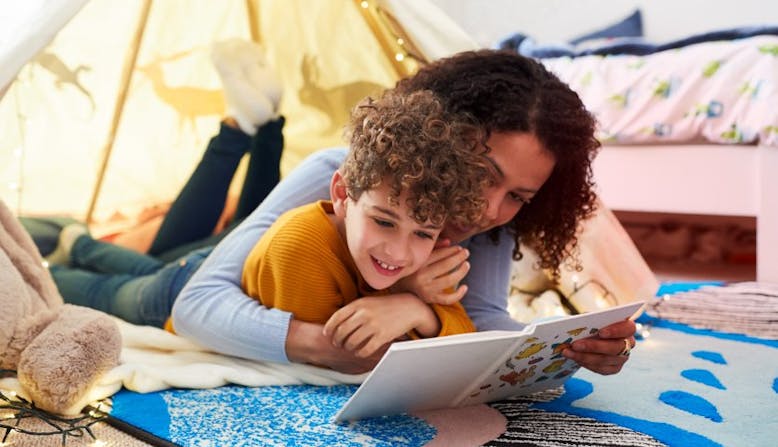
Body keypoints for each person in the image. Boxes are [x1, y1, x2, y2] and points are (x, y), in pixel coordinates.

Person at [172, 48, 638, 375]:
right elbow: (196, 305)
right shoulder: (342, 173)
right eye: (484, 173)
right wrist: (329, 347)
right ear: (446, 131)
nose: (488, 209)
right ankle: (244, 129)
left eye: (518, 197)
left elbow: (483, 319)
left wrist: (568, 347)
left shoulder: (496, 226)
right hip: (183, 277)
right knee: (134, 264)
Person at [242, 88, 489, 357]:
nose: (398, 252)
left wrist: (416, 310)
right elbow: (351, 356)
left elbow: (466, 347)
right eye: (384, 222)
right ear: (342, 194)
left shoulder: (417, 260)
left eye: (423, 234)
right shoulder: (300, 247)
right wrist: (403, 292)